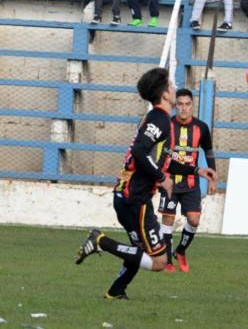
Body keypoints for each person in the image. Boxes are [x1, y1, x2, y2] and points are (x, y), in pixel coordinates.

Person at [74, 68, 217, 299]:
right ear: (165, 94)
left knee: (137, 251)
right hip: (136, 198)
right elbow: (140, 152)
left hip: (126, 196)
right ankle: (100, 242)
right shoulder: (160, 120)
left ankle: (116, 291)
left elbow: (160, 160)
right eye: (170, 85)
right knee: (159, 261)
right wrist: (161, 179)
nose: (173, 87)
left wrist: (197, 170)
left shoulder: (158, 119)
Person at [158, 88, 216, 273]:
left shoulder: (202, 128)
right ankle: (167, 260)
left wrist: (213, 177)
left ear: (193, 106)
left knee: (194, 220)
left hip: (191, 183)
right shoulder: (167, 126)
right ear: (176, 106)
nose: (183, 108)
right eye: (180, 104)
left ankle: (180, 251)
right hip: (169, 181)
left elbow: (208, 151)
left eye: (187, 104)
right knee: (167, 219)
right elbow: (164, 157)